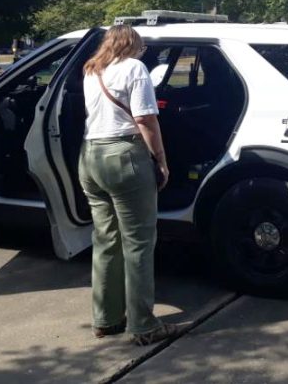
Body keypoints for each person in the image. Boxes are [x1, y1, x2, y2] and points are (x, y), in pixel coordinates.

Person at [79, 24, 180, 345]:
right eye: (141, 47)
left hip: (90, 157)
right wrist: (161, 160)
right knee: (138, 243)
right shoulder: (134, 68)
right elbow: (146, 119)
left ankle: (106, 319)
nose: (142, 52)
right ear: (133, 45)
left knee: (106, 240)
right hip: (124, 156)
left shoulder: (91, 71)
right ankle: (144, 325)